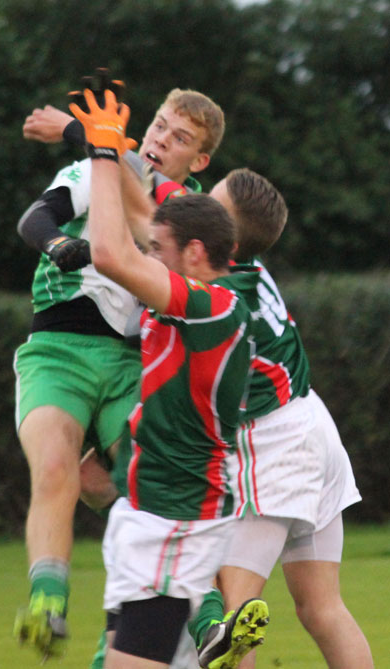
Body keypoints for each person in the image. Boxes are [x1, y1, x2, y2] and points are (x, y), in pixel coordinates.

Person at [13, 84, 226, 660]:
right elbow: (36, 217)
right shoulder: (101, 167)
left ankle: (198, 618)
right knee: (59, 469)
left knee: (143, 483)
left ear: (199, 161)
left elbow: (147, 196)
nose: (160, 140)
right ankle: (46, 602)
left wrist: (79, 131)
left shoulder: (190, 214)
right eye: (159, 125)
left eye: (179, 138)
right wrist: (57, 241)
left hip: (136, 359)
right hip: (58, 348)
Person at [69, 87, 269, 669]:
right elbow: (136, 221)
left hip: (173, 516)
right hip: (152, 511)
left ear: (196, 254)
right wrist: (103, 154)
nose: (148, 257)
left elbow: (110, 254)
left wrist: (106, 153)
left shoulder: (212, 305)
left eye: (158, 251)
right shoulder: (199, 283)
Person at [190, 168, 374, 669]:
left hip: (275, 444)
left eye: (211, 200)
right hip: (312, 426)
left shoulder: (221, 287)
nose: (200, 202)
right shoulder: (246, 263)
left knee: (226, 626)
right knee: (321, 607)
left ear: (225, 234)